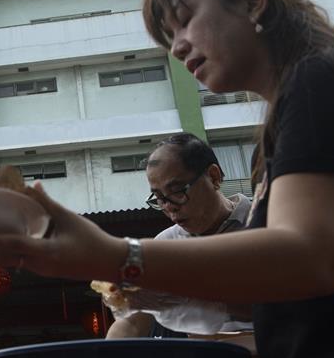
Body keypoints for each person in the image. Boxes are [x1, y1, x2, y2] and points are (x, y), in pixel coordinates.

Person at [0, 0, 334, 358]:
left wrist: (117, 256)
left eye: (185, 20)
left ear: (253, 1)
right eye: (169, 36)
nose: (178, 46)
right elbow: (292, 295)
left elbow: (312, 258)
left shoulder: (318, 78)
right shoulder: (281, 126)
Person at [105, 133, 253, 338]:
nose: (169, 207)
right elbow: (131, 324)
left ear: (213, 177)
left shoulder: (266, 224)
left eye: (177, 191)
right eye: (159, 198)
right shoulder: (165, 245)